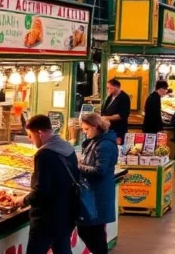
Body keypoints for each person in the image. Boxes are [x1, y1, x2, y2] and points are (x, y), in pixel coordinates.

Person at [24, 114, 79, 254]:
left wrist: (23, 200)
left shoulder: (44, 154)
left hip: (47, 217)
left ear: (40, 133)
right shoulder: (67, 147)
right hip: (67, 211)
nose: (30, 140)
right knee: (62, 248)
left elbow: (42, 191)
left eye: (30, 135)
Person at [77, 113, 118, 254]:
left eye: (86, 129)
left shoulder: (104, 144)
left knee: (91, 230)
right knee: (94, 232)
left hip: (97, 195)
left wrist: (78, 166)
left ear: (95, 127)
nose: (84, 132)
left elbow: (99, 171)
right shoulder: (97, 141)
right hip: (95, 193)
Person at [101, 78, 131, 143]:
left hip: (118, 130)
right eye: (107, 88)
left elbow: (122, 115)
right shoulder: (109, 96)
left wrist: (106, 118)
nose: (108, 90)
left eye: (110, 88)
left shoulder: (124, 97)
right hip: (107, 129)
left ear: (117, 87)